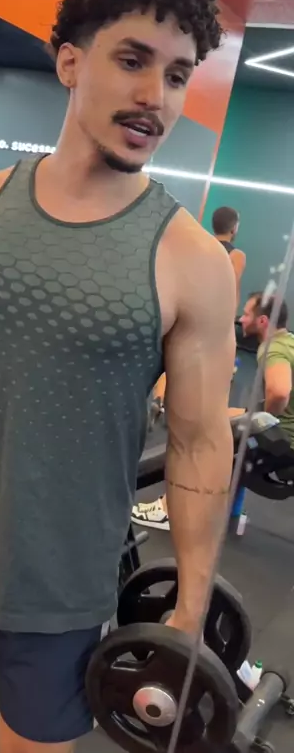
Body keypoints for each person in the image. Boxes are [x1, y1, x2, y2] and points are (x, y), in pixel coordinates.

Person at [0, 0, 236, 753]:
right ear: (70, 61)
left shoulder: (191, 261)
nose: (156, 96)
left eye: (177, 75)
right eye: (133, 60)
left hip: (65, 577)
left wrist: (190, 602)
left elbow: (200, 440)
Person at [132, 204, 247, 531]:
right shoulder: (234, 256)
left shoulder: (198, 247)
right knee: (202, 422)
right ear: (234, 227)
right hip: (209, 331)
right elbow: (229, 294)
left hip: (181, 323)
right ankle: (175, 511)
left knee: (178, 394)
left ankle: (161, 402)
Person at [240, 292, 294, 445]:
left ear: (262, 321)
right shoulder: (289, 341)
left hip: (287, 443)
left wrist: (264, 421)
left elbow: (279, 393)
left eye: (246, 315)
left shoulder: (271, 348)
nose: (241, 319)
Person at [212, 206, 246, 303]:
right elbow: (232, 293)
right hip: (216, 307)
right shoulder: (236, 256)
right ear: (234, 228)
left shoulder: (201, 246)